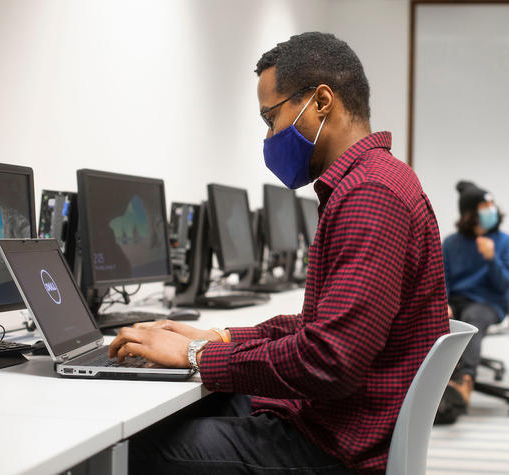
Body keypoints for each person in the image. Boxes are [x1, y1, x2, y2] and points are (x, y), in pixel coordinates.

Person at [108, 32, 448, 474]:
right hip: (341, 424)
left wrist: (195, 357)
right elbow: (321, 326)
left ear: (322, 101)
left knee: (129, 449)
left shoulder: (370, 195)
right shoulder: (375, 180)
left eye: (271, 117)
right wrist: (219, 339)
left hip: (335, 450)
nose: (269, 136)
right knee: (193, 411)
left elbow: (329, 362)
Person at [436, 181, 509, 423]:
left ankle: (464, 381)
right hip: (457, 301)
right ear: (470, 213)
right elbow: (442, 279)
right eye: (485, 205)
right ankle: (438, 384)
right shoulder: (452, 243)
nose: (491, 209)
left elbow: (504, 285)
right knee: (438, 317)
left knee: (472, 318)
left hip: (489, 303)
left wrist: (492, 259)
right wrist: (443, 302)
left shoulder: (503, 242)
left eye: (492, 204)